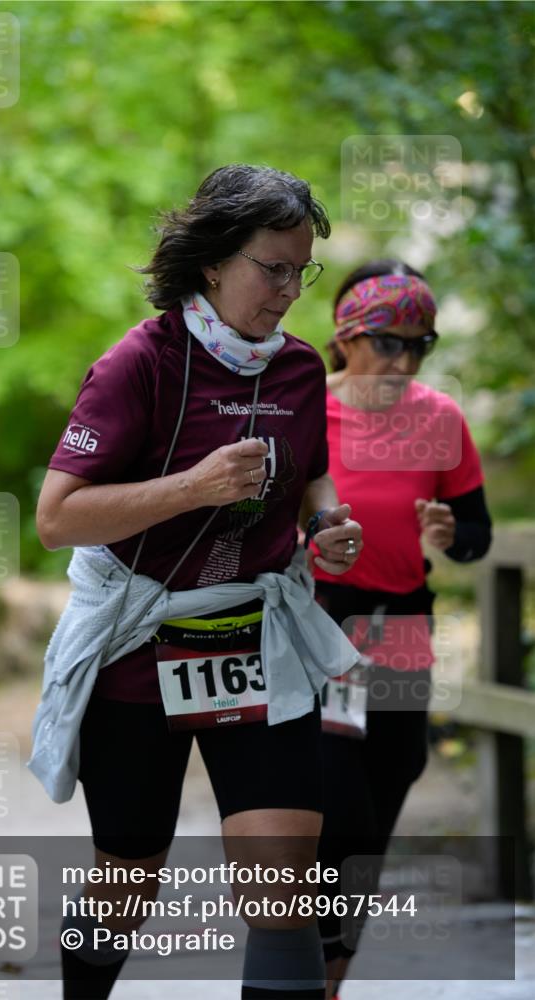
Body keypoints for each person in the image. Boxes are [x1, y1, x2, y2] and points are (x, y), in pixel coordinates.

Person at [30, 164, 365, 999]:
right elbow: (57, 519)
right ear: (213, 261)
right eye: (272, 268)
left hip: (254, 637)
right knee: (126, 885)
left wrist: (326, 524)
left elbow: (310, 476)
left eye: (302, 271)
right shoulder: (137, 364)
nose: (289, 291)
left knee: (281, 884)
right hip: (139, 645)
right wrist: (191, 487)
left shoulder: (297, 370)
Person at [310, 261, 492, 1000]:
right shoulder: (303, 407)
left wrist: (452, 533)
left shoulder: (440, 418)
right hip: (322, 620)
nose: (404, 363)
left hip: (402, 621)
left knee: (389, 782)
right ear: (347, 337)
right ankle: (307, 957)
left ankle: (332, 975)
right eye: (388, 342)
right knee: (338, 800)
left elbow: (476, 534)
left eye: (420, 346)